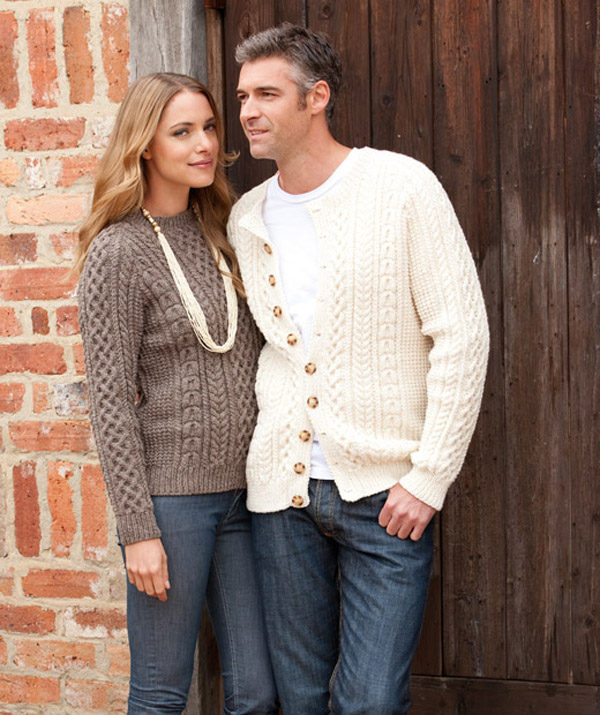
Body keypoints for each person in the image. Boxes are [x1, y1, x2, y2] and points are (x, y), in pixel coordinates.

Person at [228, 24, 490, 715]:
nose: (248, 110)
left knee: (370, 700)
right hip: (280, 497)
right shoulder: (247, 217)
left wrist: (429, 476)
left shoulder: (400, 187)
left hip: (385, 495)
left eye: (267, 94)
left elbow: (461, 334)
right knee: (301, 698)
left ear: (316, 97)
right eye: (243, 96)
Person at [75, 73, 277, 715]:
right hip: (173, 507)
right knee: (161, 693)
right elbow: (111, 404)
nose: (205, 144)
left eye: (209, 127)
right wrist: (138, 531)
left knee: (257, 692)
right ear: (144, 146)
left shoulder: (225, 231)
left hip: (248, 497)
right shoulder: (117, 252)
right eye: (182, 132)